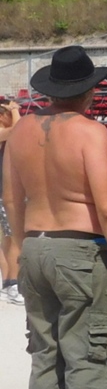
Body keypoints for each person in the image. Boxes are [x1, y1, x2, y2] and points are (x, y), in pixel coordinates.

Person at [1, 45, 107, 389]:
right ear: (89, 91)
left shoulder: (20, 131)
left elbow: (10, 198)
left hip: (34, 245)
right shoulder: (90, 132)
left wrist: (20, 246)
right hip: (79, 248)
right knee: (87, 349)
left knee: (45, 350)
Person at [0, 95, 20, 304]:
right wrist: (14, 110)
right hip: (3, 194)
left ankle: (7, 282)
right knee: (13, 237)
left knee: (7, 239)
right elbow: (18, 130)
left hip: (3, 192)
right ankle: (13, 282)